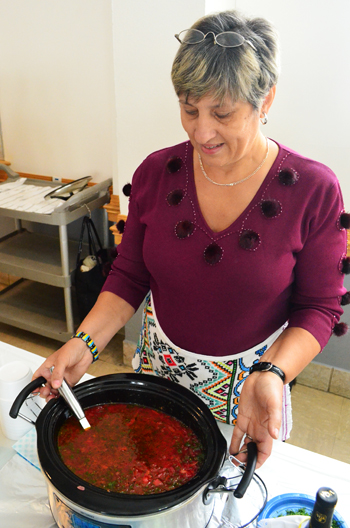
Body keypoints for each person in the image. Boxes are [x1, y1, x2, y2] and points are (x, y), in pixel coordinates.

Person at [33, 10, 348, 468]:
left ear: (265, 101)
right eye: (188, 107)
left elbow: (319, 307)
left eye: (222, 113)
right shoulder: (157, 173)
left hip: (254, 385)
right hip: (160, 371)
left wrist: (273, 374)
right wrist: (83, 343)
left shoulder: (313, 190)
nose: (202, 131)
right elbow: (129, 274)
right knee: (151, 470)